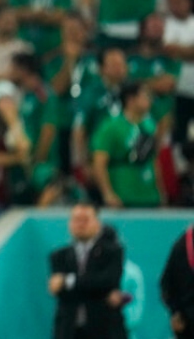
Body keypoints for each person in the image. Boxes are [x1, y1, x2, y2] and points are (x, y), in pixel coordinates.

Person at [49, 203, 127, 339]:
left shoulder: (112, 252)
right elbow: (60, 292)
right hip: (69, 330)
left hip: (104, 329)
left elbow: (108, 281)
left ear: (97, 224)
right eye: (76, 220)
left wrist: (68, 281)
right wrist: (97, 291)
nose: (80, 224)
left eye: (85, 220)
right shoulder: (59, 256)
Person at [91, 83, 167, 209]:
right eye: (145, 96)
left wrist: (161, 191)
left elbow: (153, 160)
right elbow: (99, 163)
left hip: (150, 195)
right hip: (123, 194)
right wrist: (108, 193)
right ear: (131, 100)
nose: (149, 100)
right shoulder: (111, 126)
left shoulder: (150, 125)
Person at [160, 224, 194, 339]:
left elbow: (166, 285)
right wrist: (176, 312)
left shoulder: (181, 243)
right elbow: (166, 284)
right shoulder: (182, 246)